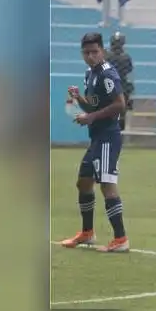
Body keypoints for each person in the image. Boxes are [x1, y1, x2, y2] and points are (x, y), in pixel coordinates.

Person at [61, 33, 130, 253]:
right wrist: (80, 99)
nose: (90, 56)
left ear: (102, 51)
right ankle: (87, 232)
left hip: (109, 137)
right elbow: (94, 105)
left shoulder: (108, 74)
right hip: (97, 138)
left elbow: (120, 105)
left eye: (94, 52)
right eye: (86, 52)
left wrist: (90, 118)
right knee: (83, 182)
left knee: (107, 185)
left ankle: (121, 238)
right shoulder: (90, 73)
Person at [106, 32, 134, 131]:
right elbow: (129, 71)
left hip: (108, 89)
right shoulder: (126, 57)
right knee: (121, 115)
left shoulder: (106, 57)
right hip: (122, 89)